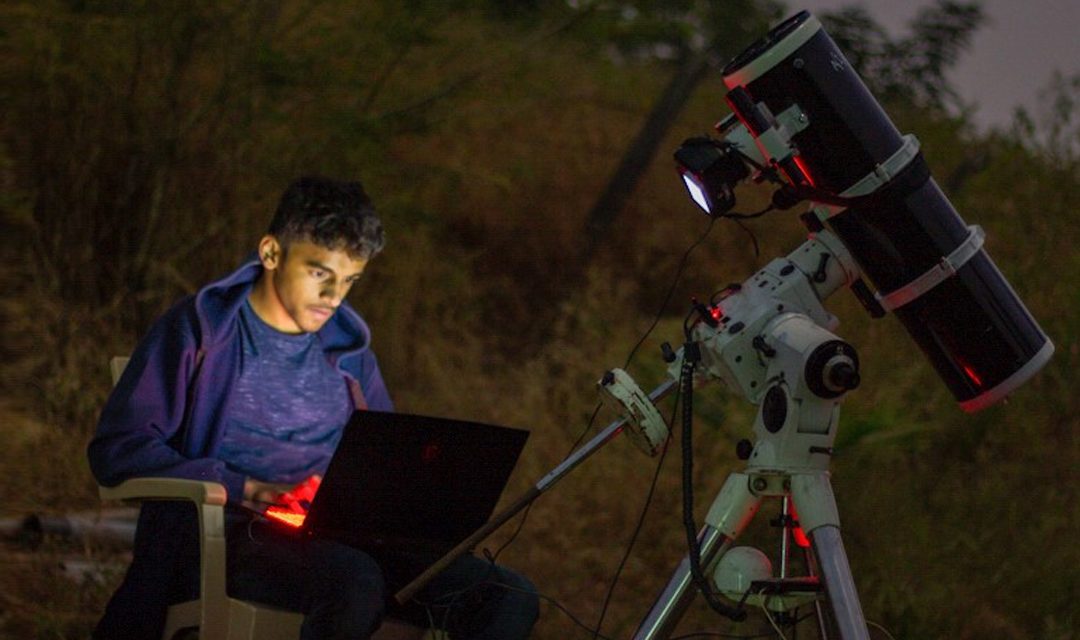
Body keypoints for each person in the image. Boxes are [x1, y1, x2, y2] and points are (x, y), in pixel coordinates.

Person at [88, 176, 539, 640]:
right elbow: (119, 450)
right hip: (237, 535)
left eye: (349, 280)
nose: (335, 298)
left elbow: (385, 459)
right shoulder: (203, 331)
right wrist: (245, 486)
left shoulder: (350, 352)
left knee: (507, 595)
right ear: (271, 253)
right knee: (354, 581)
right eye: (320, 274)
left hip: (343, 536)